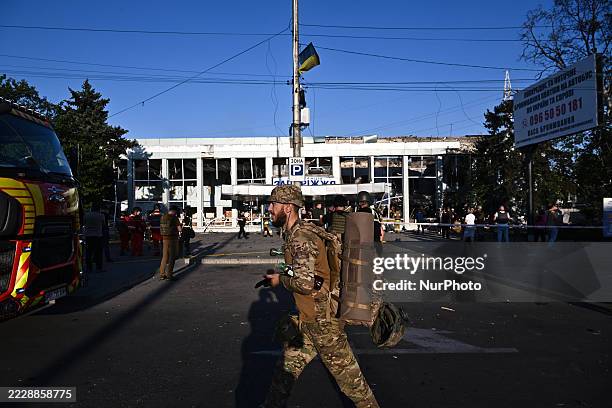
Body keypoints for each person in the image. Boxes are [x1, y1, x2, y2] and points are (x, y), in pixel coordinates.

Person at [262, 184, 379, 408]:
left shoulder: (301, 238)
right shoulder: (297, 233)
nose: (269, 208)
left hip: (324, 325)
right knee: (284, 373)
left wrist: (280, 280)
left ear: (287, 208)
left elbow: (305, 284)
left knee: (353, 385)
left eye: (273, 204)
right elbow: (313, 276)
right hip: (308, 321)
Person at [159, 205, 181, 280]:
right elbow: (179, 229)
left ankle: (162, 274)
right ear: (174, 211)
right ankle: (169, 275)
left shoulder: (163, 217)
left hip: (164, 238)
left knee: (165, 256)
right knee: (172, 257)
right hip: (172, 239)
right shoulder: (174, 218)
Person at [83, 203, 105, 273]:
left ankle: (89, 268)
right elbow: (103, 225)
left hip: (88, 235)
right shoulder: (101, 215)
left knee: (89, 252)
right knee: (98, 252)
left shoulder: (86, 215)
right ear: (98, 209)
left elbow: (84, 223)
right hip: (98, 235)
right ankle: (99, 267)